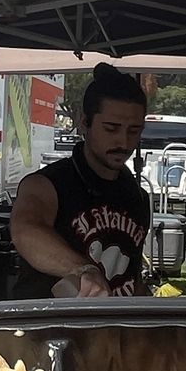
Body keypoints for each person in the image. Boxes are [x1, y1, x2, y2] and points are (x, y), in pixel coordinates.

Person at [11, 63, 153, 298]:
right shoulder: (48, 184)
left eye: (134, 131)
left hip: (112, 320)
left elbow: (130, 277)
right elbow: (25, 231)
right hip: (49, 319)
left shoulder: (136, 196)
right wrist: (84, 269)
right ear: (84, 122)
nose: (124, 142)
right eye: (111, 129)